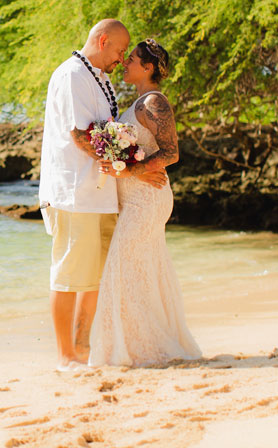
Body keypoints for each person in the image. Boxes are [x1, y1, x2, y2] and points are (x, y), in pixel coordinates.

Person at [39, 20, 168, 370]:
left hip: (104, 196)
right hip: (73, 193)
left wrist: (129, 166)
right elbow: (81, 136)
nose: (121, 58)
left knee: (95, 278)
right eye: (118, 51)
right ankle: (66, 358)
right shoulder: (72, 76)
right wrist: (129, 165)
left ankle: (84, 352)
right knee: (67, 276)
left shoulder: (102, 79)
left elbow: (105, 133)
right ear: (103, 40)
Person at [88, 38, 202, 367]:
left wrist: (130, 172)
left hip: (147, 199)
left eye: (133, 59)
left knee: (123, 271)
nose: (125, 63)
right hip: (136, 198)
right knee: (139, 272)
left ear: (148, 67)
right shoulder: (138, 102)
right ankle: (140, 346)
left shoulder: (155, 102)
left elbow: (171, 153)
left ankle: (139, 349)